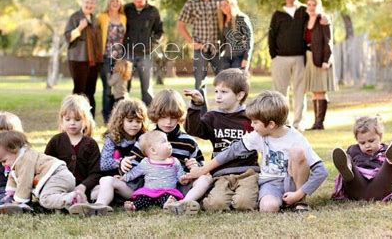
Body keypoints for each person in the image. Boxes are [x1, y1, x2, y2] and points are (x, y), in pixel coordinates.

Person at [188, 90, 328, 213]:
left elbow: (321, 171)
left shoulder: (296, 138)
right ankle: (283, 202)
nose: (251, 126)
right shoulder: (258, 135)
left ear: (271, 124)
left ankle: (299, 202)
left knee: (297, 152)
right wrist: (202, 170)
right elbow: (231, 152)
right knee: (268, 208)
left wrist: (298, 194)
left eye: (255, 122)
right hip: (270, 183)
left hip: (293, 182)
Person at [184, 68, 260, 211]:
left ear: (240, 95)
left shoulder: (250, 118)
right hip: (221, 174)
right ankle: (200, 199)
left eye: (224, 92)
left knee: (244, 204)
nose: (218, 96)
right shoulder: (213, 117)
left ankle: (250, 195)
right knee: (215, 205)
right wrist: (196, 106)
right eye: (216, 91)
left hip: (247, 173)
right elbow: (192, 129)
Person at [127, 89, 211, 215]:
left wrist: (195, 166)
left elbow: (201, 166)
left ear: (179, 116)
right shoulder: (146, 140)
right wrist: (123, 164)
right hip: (150, 188)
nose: (168, 122)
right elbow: (133, 168)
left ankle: (184, 203)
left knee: (205, 179)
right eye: (163, 117)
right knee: (111, 181)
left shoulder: (188, 141)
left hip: (180, 188)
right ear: (156, 116)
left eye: (173, 117)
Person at [69, 99, 148, 216]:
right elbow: (103, 164)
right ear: (120, 121)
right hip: (117, 185)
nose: (135, 124)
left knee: (106, 181)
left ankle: (99, 207)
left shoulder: (144, 139)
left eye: (138, 121)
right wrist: (120, 162)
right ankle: (84, 203)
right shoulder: (112, 139)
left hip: (135, 187)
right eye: (130, 121)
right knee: (94, 192)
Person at [268, 0, 329, 131]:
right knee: (280, 92)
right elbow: (272, 35)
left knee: (300, 91)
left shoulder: (304, 11)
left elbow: (318, 15)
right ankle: (282, 121)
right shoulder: (278, 14)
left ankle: (298, 123)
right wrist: (273, 55)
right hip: (280, 58)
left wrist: (327, 18)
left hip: (300, 58)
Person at [0, 131, 86, 214]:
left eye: (4, 161)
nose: (3, 165)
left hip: (57, 176)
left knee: (45, 199)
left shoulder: (25, 160)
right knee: (49, 200)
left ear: (14, 150)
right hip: (58, 177)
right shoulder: (18, 161)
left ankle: (72, 198)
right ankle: (72, 203)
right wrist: (10, 192)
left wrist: (18, 201)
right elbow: (13, 177)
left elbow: (24, 183)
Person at [332, 116, 392, 201]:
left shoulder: (386, 151)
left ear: (380, 136)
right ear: (357, 140)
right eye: (362, 143)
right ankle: (348, 168)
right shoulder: (353, 150)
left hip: (380, 188)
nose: (367, 145)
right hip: (357, 188)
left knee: (390, 166)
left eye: (371, 141)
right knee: (348, 159)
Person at [178, 0, 224, 112]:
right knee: (199, 83)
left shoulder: (220, 0)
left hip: (218, 48)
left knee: (224, 81)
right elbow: (180, 25)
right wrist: (191, 42)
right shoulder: (192, 2)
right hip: (200, 49)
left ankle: (225, 112)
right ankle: (203, 114)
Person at [44, 94, 101, 204]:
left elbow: (96, 173)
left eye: (77, 119)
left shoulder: (90, 144)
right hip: (61, 187)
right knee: (46, 196)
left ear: (85, 120)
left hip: (85, 188)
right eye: (68, 119)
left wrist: (83, 186)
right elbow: (46, 166)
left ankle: (81, 202)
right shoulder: (56, 141)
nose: (72, 123)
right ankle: (67, 201)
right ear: (62, 120)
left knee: (98, 191)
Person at [122, 130, 190, 211]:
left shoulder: (175, 161)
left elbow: (180, 175)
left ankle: (168, 204)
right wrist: (123, 177)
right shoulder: (146, 162)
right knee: (142, 198)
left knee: (168, 197)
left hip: (167, 191)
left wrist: (183, 179)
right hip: (149, 192)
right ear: (153, 150)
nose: (169, 143)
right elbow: (134, 173)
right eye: (164, 141)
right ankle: (133, 206)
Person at [124, 0, 164, 106]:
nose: (137, 4)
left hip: (146, 53)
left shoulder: (153, 11)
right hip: (128, 52)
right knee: (125, 85)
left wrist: (152, 44)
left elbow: (159, 31)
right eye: (135, 1)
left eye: (140, 1)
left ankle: (149, 113)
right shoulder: (127, 9)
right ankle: (123, 111)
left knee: (147, 87)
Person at [64, 0, 102, 117]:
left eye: (91, 3)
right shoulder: (75, 17)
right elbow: (68, 37)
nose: (89, 5)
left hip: (93, 61)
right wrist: (80, 28)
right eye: (86, 2)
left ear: (94, 5)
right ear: (82, 2)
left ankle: (90, 120)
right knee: (79, 92)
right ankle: (75, 117)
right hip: (78, 59)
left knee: (90, 91)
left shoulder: (95, 19)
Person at [303, 0, 337, 130]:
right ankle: (316, 122)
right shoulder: (306, 20)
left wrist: (326, 60)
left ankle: (319, 123)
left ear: (319, 6)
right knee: (314, 91)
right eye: (309, 5)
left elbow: (328, 41)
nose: (311, 7)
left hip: (321, 58)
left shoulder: (323, 19)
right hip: (309, 57)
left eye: (314, 5)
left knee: (321, 91)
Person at [97, 0, 127, 123]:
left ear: (120, 4)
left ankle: (118, 117)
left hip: (120, 58)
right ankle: (107, 118)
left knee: (120, 89)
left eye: (118, 1)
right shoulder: (102, 17)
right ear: (108, 2)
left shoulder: (123, 18)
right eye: (113, 1)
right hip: (105, 57)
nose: (115, 3)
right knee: (107, 87)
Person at [218, 0, 254, 71]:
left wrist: (246, 58)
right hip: (226, 59)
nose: (223, 8)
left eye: (225, 5)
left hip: (239, 58)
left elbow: (249, 40)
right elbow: (224, 42)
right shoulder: (223, 20)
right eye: (221, 5)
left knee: (237, 82)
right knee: (225, 82)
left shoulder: (241, 18)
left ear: (232, 5)